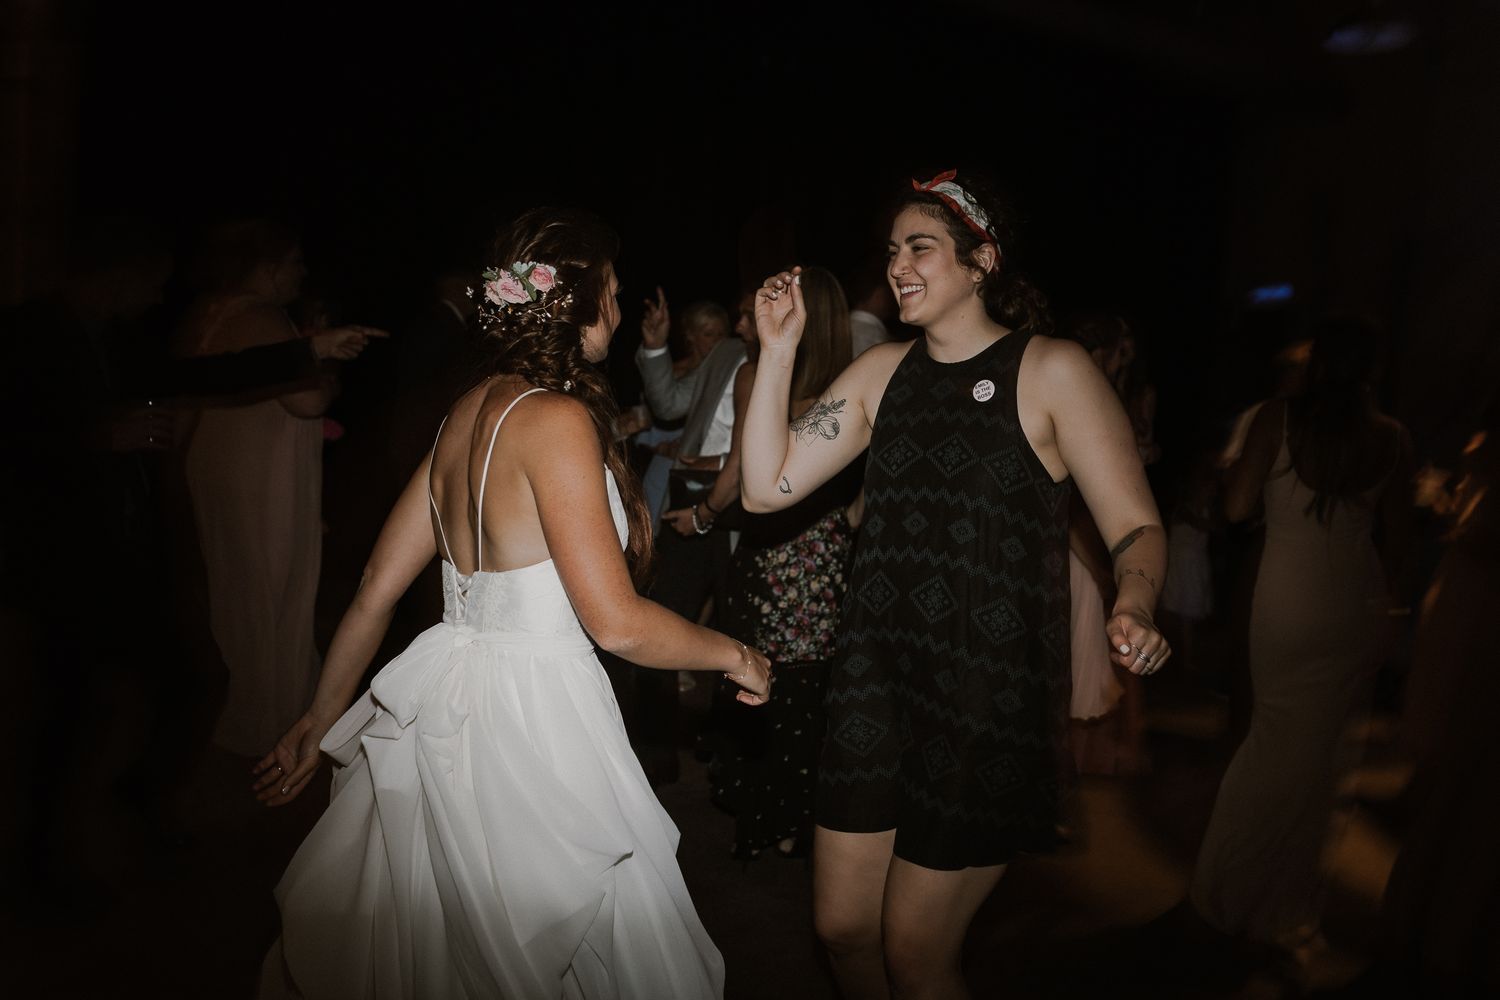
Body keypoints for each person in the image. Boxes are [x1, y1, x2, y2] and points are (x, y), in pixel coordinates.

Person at [253, 208, 771, 999]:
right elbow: (617, 622)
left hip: (444, 693)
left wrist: (319, 719)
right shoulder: (555, 420)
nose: (619, 311)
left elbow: (375, 589)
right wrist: (737, 653)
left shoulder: (466, 413)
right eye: (613, 292)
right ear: (578, 303)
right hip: (534, 713)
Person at [740, 170, 1169, 999]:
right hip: (873, 683)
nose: (898, 265)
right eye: (892, 250)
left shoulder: (1051, 370)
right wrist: (780, 350)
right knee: (842, 930)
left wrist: (1137, 599)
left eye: (921, 247)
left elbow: (1135, 526)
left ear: (982, 262)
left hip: (984, 695)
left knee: (916, 952)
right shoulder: (880, 374)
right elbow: (764, 489)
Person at [1189, 314, 1413, 971]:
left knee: (1270, 742)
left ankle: (1223, 895)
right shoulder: (1392, 438)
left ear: (1317, 363)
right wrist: (1393, 617)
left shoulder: (1278, 419)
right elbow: (1400, 541)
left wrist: (1259, 489)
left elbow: (1236, 508)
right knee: (1323, 760)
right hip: (1354, 604)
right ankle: (1284, 907)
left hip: (1289, 596)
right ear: (1372, 370)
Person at [175, 220, 344, 756]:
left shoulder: (205, 313)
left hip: (217, 468)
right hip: (261, 480)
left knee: (231, 592)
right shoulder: (260, 317)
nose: (302, 272)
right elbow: (308, 401)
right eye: (294, 262)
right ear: (267, 267)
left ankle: (231, 715)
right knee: (270, 593)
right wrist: (326, 364)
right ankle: (268, 725)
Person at [710, 267, 860, 860]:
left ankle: (756, 812)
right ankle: (792, 819)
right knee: (803, 692)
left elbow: (741, 473)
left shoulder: (762, 380)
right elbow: (867, 500)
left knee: (755, 677)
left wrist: (702, 513)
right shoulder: (854, 394)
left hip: (770, 555)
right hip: (821, 560)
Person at [631, 290, 749, 783]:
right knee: (662, 617)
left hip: (746, 508)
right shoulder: (726, 354)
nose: (740, 323)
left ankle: (729, 752)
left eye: (747, 314)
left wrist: (721, 465)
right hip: (691, 498)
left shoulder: (793, 363)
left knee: (740, 628)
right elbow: (669, 404)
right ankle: (655, 751)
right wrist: (656, 347)